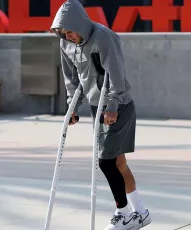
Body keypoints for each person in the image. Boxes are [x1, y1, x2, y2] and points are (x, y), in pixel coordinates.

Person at [50, 0, 152, 229]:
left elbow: (116, 73)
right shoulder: (65, 43)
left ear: (80, 25)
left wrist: (113, 106)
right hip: (97, 108)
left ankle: (123, 214)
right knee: (119, 163)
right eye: (63, 33)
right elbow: (71, 77)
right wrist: (72, 105)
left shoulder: (103, 37)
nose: (68, 36)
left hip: (118, 106)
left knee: (106, 163)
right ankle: (141, 212)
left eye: (70, 31)